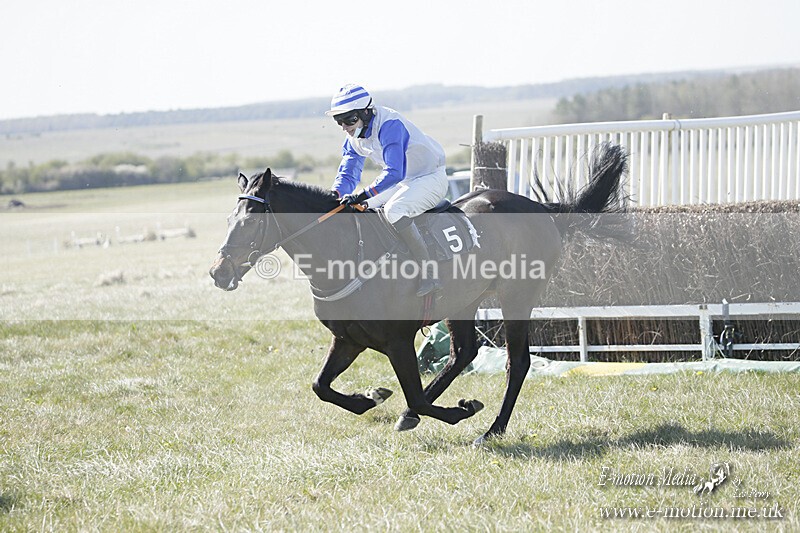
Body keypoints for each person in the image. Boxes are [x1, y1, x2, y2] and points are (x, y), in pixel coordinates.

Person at [326, 84, 448, 297]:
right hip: (404, 182)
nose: (345, 127)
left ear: (366, 112)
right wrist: (335, 195)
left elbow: (394, 172)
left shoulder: (390, 124)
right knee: (357, 208)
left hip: (430, 177)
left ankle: (430, 273)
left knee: (394, 211)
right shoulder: (354, 137)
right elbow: (348, 174)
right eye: (339, 121)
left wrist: (363, 194)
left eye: (349, 120)